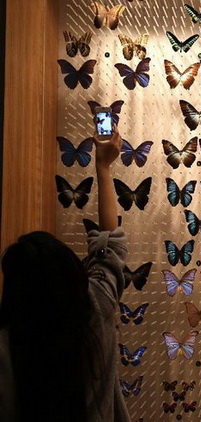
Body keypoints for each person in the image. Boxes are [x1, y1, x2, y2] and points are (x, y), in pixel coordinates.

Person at [0, 127, 131, 421]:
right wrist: (103, 167)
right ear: (73, 274)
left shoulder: (6, 350)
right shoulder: (96, 308)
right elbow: (110, 244)